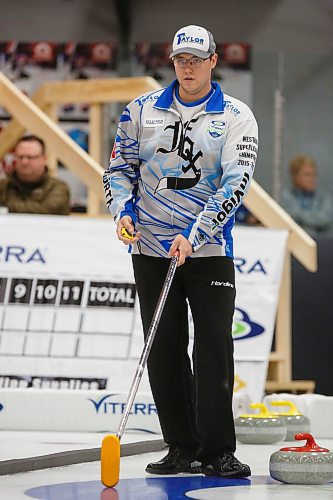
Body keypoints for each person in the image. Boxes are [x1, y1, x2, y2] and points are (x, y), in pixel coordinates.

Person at [103, 25, 258, 478]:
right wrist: (122, 212)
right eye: (180, 59)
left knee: (213, 348)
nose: (187, 67)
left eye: (196, 59)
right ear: (172, 62)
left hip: (207, 250)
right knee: (163, 347)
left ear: (213, 61)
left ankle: (217, 451)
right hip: (150, 248)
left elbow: (237, 182)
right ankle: (181, 446)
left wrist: (198, 232)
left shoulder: (235, 115)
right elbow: (118, 168)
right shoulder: (140, 110)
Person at [0, 134, 70, 215]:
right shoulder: (3, 186)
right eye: (20, 157)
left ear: (44, 159)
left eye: (30, 157)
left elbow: (43, 212)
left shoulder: (58, 188)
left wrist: (5, 208)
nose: (24, 162)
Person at [282, 155, 332, 235]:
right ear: (295, 176)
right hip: (293, 240)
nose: (312, 179)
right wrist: (313, 218)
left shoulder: (324, 198)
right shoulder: (285, 197)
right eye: (307, 175)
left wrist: (298, 217)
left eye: (314, 175)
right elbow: (286, 219)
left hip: (322, 242)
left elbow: (325, 219)